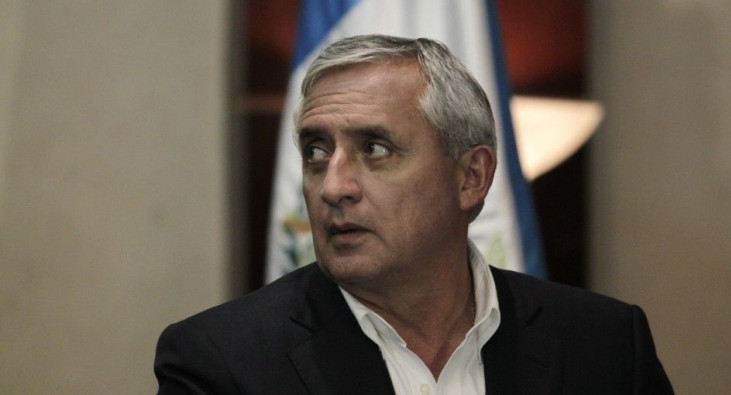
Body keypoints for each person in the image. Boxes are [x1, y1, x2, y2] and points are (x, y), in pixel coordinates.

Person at [154, 35, 673, 394]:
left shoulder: (604, 344)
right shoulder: (220, 362)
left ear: (470, 177)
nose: (333, 186)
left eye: (375, 149)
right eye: (316, 152)